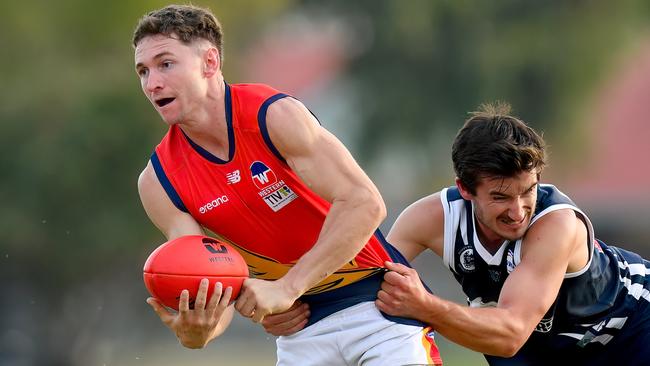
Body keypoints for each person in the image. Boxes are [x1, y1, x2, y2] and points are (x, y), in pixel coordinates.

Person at [132, 4, 442, 365]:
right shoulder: (159, 181)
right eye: (143, 71)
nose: (152, 83)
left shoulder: (273, 116)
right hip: (299, 330)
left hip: (378, 306)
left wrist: (289, 286)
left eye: (166, 64)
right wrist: (200, 333)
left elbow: (365, 203)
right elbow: (211, 280)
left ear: (210, 63)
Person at [372, 103, 650, 365]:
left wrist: (424, 306)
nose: (517, 212)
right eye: (500, 197)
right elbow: (367, 290)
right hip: (547, 349)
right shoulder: (429, 219)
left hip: (635, 328)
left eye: (528, 191)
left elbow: (510, 335)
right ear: (465, 189)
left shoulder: (556, 226)